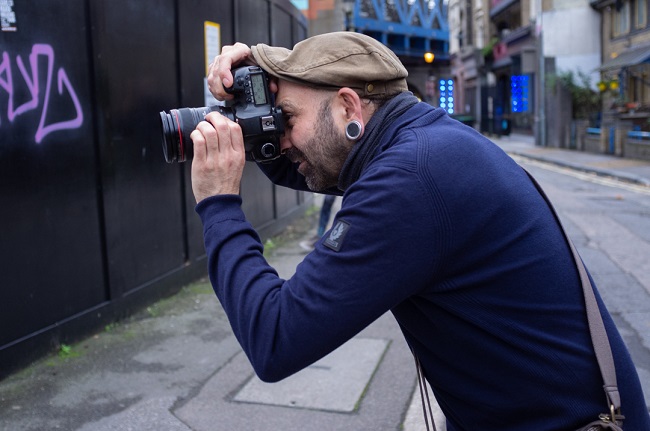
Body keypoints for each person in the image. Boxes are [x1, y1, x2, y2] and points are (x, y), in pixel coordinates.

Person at [189, 32, 650, 430]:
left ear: (349, 105)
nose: (282, 139)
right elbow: (316, 166)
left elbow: (275, 338)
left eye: (286, 118)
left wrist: (218, 203)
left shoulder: (412, 180)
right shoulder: (424, 142)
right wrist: (252, 112)